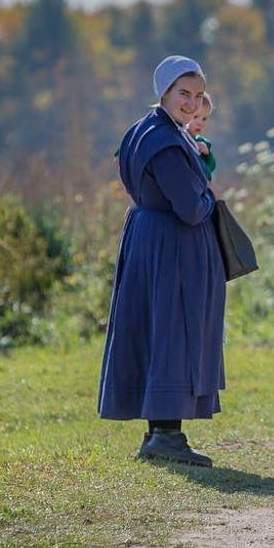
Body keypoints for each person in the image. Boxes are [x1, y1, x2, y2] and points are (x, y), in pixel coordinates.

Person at [98, 55, 227, 467]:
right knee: (173, 330)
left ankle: (159, 433)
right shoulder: (167, 141)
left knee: (158, 329)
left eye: (198, 95)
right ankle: (167, 435)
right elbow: (190, 206)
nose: (191, 104)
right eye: (183, 94)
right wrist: (212, 198)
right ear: (165, 92)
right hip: (172, 242)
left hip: (148, 236)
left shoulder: (143, 131)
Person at [187, 92, 217, 181]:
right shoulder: (180, 137)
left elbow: (211, 167)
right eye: (195, 117)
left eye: (204, 119)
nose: (200, 123)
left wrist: (207, 155)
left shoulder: (203, 143)